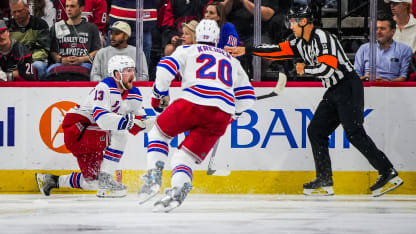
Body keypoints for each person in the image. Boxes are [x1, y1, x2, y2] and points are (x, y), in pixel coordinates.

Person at [225, 3, 404, 197]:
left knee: (354, 133)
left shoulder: (322, 37)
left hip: (348, 87)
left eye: (293, 21)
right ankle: (324, 179)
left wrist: (305, 70)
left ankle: (388, 172)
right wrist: (246, 50)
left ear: (304, 21)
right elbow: (276, 50)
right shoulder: (298, 41)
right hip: (334, 89)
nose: (291, 26)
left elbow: (328, 68)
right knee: (316, 131)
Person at [137, 19, 255, 212]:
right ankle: (178, 190)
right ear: (216, 39)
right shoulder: (231, 60)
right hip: (222, 113)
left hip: (193, 102)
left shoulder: (187, 50)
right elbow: (248, 97)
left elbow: (164, 68)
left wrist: (159, 93)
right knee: (184, 159)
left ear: (197, 37)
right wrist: (234, 114)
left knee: (158, 133)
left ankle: (153, 177)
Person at [35, 55, 155, 197]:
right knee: (120, 132)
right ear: (117, 74)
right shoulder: (105, 87)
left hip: (94, 134)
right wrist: (130, 122)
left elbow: (138, 121)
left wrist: (152, 123)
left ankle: (51, 180)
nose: (132, 75)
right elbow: (103, 120)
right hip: (78, 129)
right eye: (127, 71)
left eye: (132, 70)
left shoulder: (134, 93)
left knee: (92, 181)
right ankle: (106, 178)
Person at [47, 0, 101, 74]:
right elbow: (52, 51)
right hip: (61, 64)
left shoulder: (92, 27)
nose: (68, 9)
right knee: (48, 71)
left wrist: (82, 59)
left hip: (84, 64)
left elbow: (97, 51)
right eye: (67, 6)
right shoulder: (57, 26)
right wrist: (61, 60)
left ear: (81, 8)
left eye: (72, 6)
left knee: (91, 71)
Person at [355, 16, 412, 82]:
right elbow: (355, 76)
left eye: (382, 29)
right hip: (367, 87)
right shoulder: (364, 49)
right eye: (376, 28)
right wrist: (365, 78)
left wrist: (388, 82)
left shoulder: (404, 49)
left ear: (393, 31)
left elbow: (404, 77)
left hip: (394, 89)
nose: (378, 32)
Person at [8, 0, 50, 80]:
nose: (17, 15)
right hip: (15, 61)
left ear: (27, 8)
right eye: (14, 12)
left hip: (35, 60)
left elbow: (43, 50)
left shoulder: (40, 24)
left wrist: (25, 62)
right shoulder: (8, 26)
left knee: (38, 66)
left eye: (19, 11)